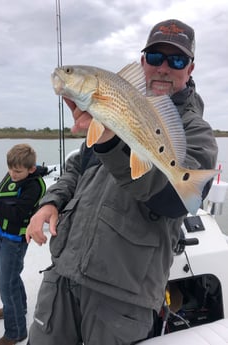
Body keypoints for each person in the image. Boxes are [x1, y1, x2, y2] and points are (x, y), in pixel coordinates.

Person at [25, 19, 218, 345]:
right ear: (143, 61)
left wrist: (110, 142)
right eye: (156, 58)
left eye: (177, 60)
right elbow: (77, 167)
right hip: (63, 272)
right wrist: (51, 202)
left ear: (191, 68)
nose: (164, 68)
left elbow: (170, 198)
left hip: (124, 295)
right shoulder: (112, 107)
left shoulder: (197, 133)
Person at [0, 144, 47, 345]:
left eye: (17, 171)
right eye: (10, 169)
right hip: (2, 234)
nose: (12, 174)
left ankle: (15, 332)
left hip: (16, 241)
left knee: (7, 283)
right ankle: (18, 307)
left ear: (31, 169)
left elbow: (17, 214)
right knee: (10, 277)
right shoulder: (12, 175)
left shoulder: (34, 186)